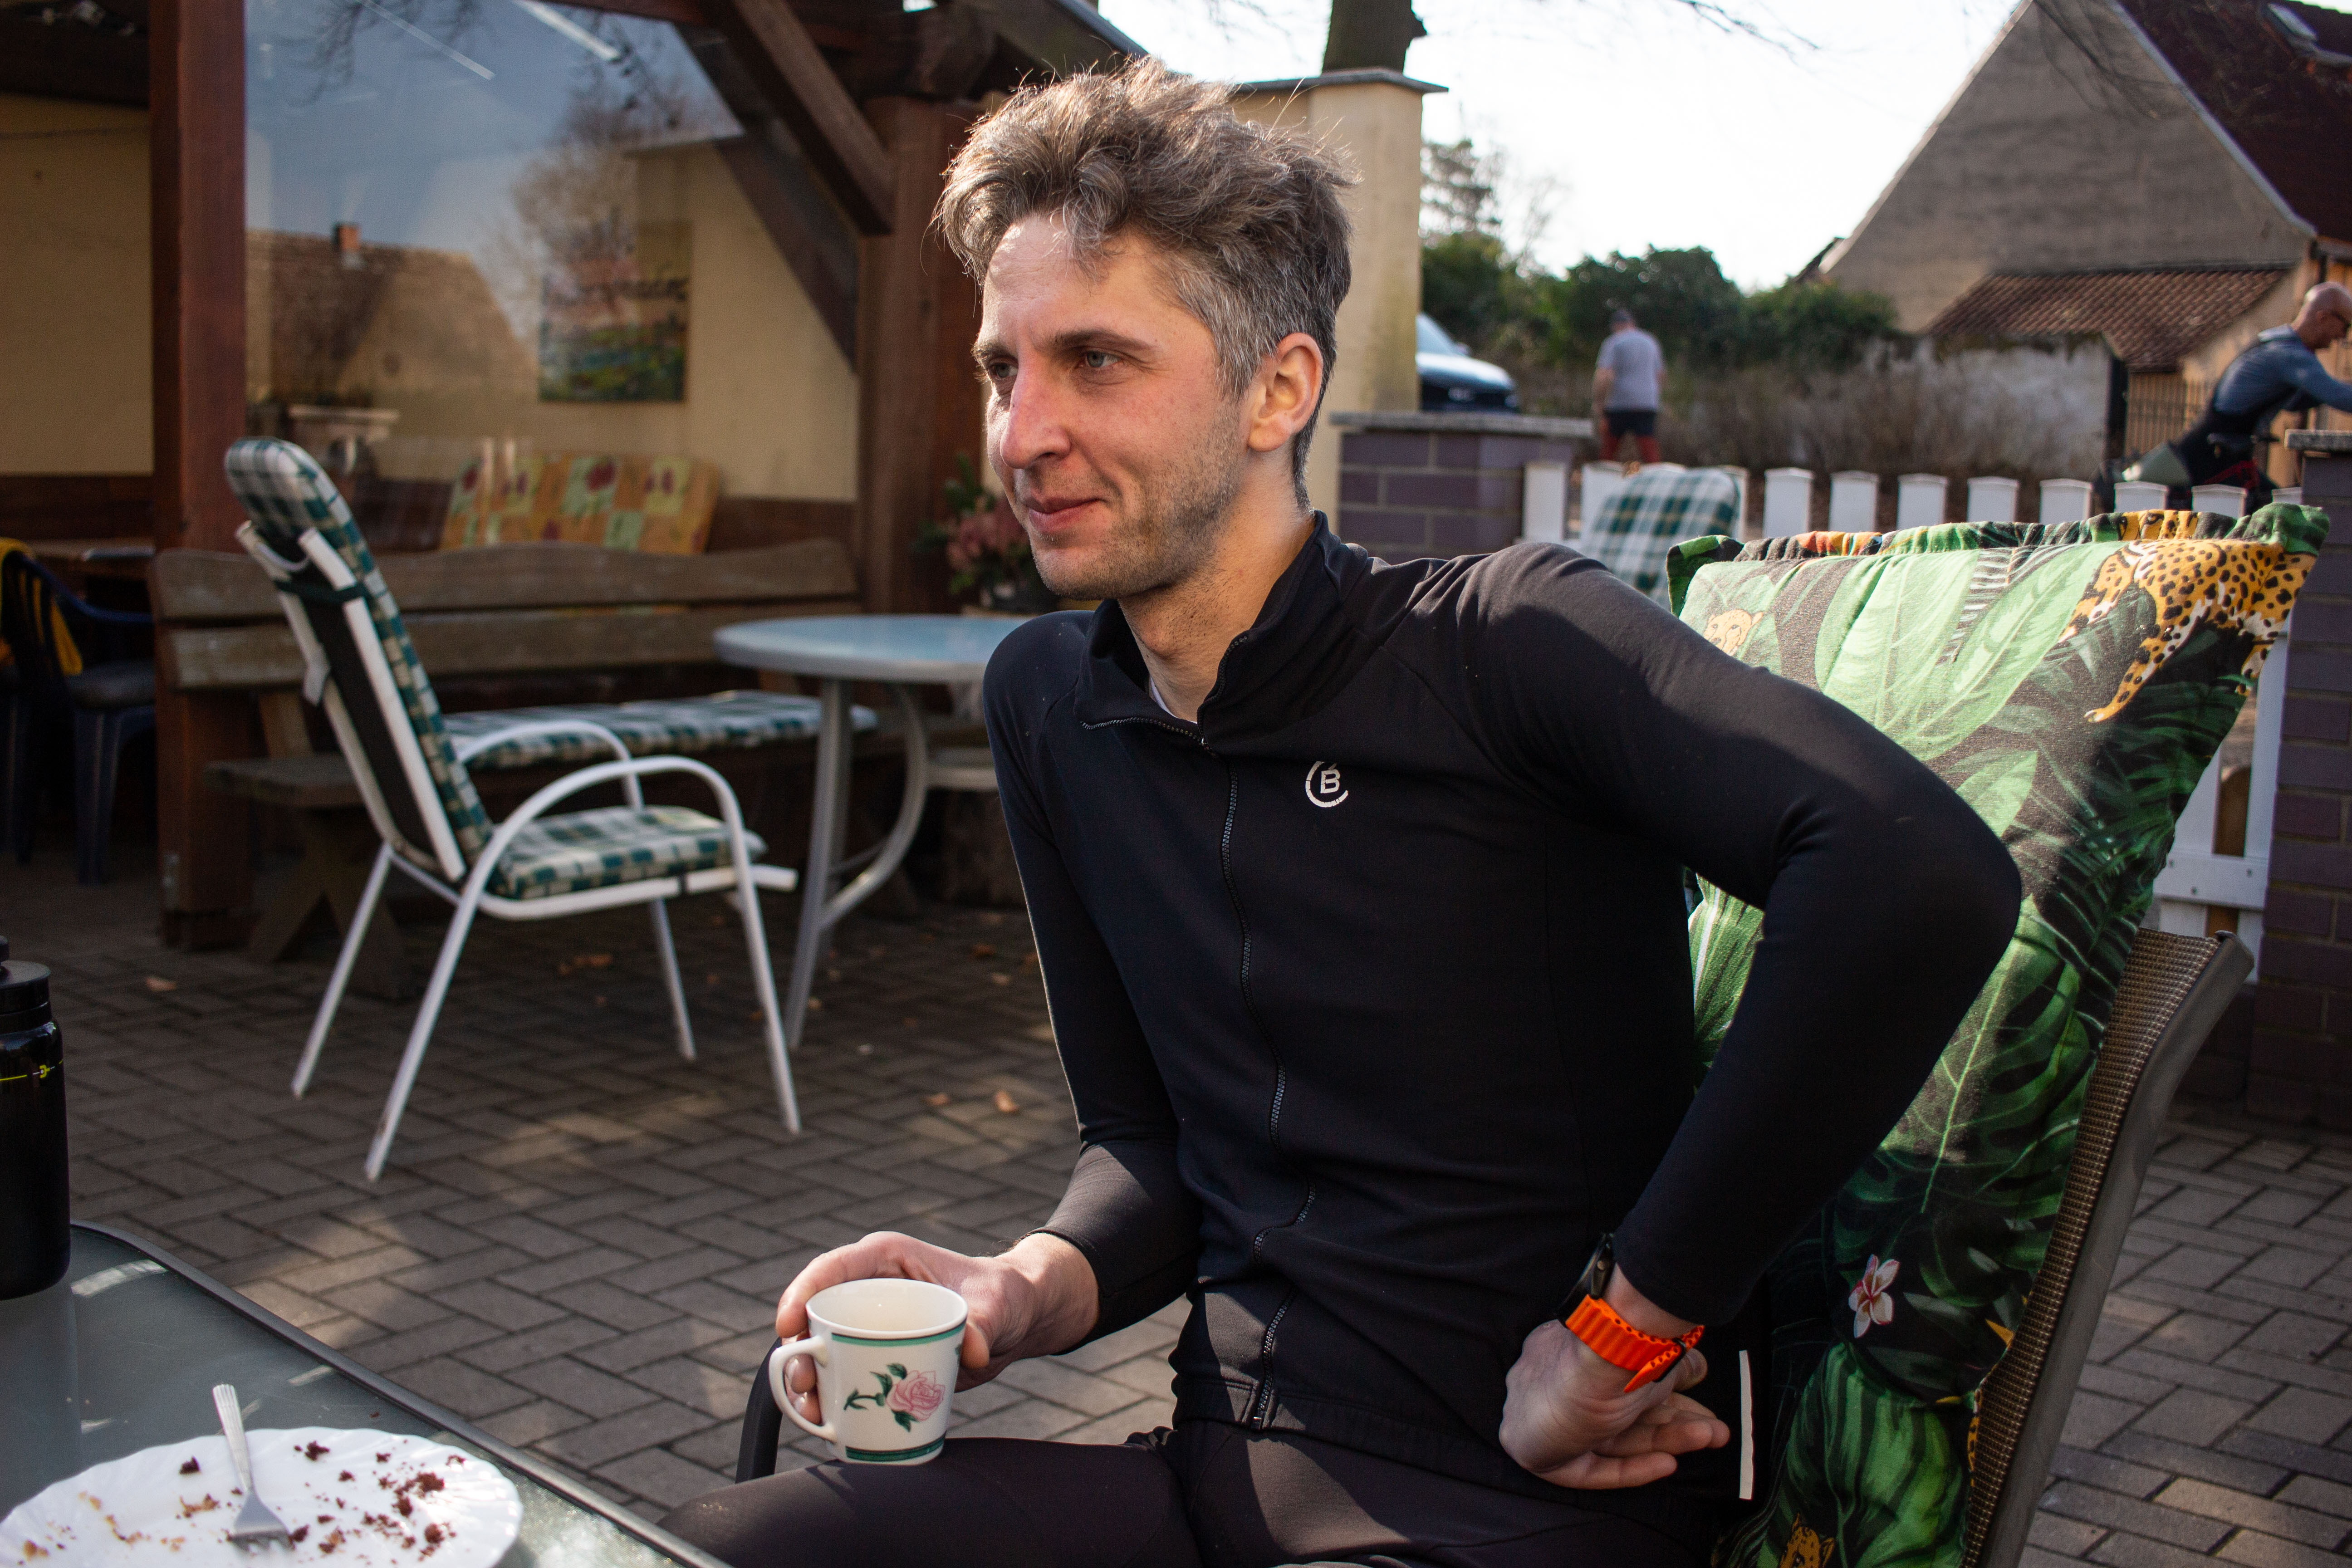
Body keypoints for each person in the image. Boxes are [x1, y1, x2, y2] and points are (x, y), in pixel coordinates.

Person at [661, 60, 2019, 1568]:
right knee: (721, 1543)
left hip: (1519, 1507)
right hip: (1215, 1474)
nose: (1021, 431)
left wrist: (1625, 1328)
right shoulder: (1053, 700)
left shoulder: (1502, 647)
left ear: (1280, 388)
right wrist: (1017, 1291)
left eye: (1096, 360)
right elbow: (1149, 1151)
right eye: (1003, 369)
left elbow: (1912, 875)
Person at [2132, 280, 2352, 496]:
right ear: (2323, 317)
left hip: (2218, 456)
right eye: (2346, 326)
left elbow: (2296, 401)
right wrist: (2332, 391)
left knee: (2283, 506)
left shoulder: (2275, 340)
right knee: (2285, 511)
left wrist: (2328, 391)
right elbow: (2340, 397)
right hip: (2211, 463)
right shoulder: (2290, 355)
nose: (2343, 336)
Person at [1592, 309, 1665, 465]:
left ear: (1616, 326)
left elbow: (1603, 375)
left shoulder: (1614, 342)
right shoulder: (1651, 341)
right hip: (1647, 403)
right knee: (1649, 450)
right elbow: (1660, 375)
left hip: (1619, 404)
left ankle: (1602, 478)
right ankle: (1657, 476)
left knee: (1609, 450)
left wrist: (1599, 405)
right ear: (1632, 324)